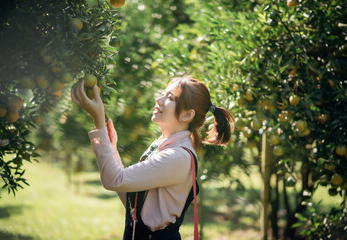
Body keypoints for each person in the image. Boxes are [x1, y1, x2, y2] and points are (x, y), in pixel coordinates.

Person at [71, 76, 234, 240]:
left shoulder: (177, 157)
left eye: (170, 97)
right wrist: (111, 146)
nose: (159, 99)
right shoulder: (164, 146)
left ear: (187, 115)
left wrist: (99, 122)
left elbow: (113, 180)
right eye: (163, 94)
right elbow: (131, 198)